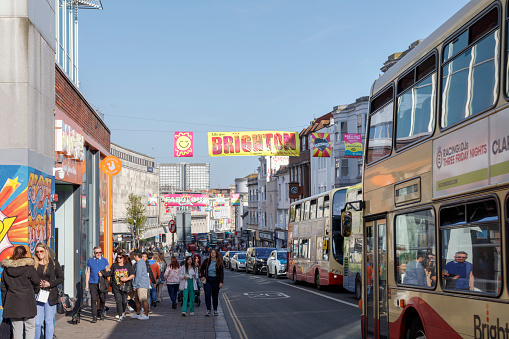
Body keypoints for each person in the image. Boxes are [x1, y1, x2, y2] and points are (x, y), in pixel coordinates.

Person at [1, 245, 40, 339]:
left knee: (16, 330)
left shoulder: (6, 270)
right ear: (25, 254)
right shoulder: (30, 268)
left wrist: (5, 302)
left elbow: (3, 288)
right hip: (28, 302)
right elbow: (36, 283)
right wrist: (35, 291)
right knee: (30, 328)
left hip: (13, 303)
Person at [33, 243, 64, 339]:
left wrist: (50, 284)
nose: (39, 254)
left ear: (46, 251)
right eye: (37, 251)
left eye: (41, 251)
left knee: (48, 321)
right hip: (37, 294)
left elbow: (61, 278)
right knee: (37, 322)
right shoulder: (33, 263)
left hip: (50, 294)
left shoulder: (53, 263)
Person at [104, 253, 134, 322]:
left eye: (120, 257)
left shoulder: (128, 265)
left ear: (123, 258)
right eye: (117, 257)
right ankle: (120, 315)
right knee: (118, 301)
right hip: (116, 286)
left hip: (125, 286)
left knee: (124, 301)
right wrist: (105, 271)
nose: (118, 259)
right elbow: (110, 273)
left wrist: (126, 279)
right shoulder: (114, 265)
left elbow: (132, 274)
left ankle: (123, 311)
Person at [85, 246, 109, 323]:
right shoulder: (90, 261)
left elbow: (108, 272)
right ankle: (94, 316)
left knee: (102, 298)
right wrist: (86, 285)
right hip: (93, 283)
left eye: (100, 252)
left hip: (102, 283)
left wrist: (103, 273)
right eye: (97, 253)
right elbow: (88, 272)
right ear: (94, 253)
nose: (98, 254)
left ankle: (101, 313)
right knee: (93, 299)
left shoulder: (105, 260)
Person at [200, 249, 224, 316]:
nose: (213, 254)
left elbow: (221, 273)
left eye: (214, 253)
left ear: (216, 254)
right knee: (207, 295)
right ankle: (208, 310)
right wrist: (202, 276)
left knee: (215, 296)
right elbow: (201, 269)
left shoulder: (219, 262)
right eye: (212, 253)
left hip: (216, 281)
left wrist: (221, 282)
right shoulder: (206, 261)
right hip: (208, 280)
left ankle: (215, 310)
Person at [131, 251, 150, 320]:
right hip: (139, 284)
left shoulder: (139, 264)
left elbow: (138, 275)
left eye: (134, 256)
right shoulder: (140, 262)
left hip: (141, 284)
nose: (133, 257)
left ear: (136, 256)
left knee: (143, 299)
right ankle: (138, 312)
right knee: (137, 299)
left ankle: (146, 315)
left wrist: (134, 285)